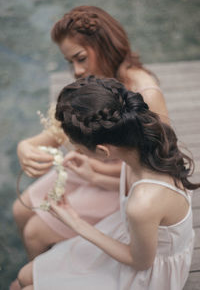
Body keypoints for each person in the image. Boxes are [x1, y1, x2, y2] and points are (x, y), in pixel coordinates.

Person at [12, 6, 168, 262]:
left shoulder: (146, 93)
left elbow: (156, 169)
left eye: (80, 58)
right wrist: (25, 146)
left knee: (33, 233)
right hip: (86, 168)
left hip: (121, 185)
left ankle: (39, 275)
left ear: (105, 45)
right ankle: (44, 268)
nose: (75, 70)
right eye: (70, 62)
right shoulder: (94, 82)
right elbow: (58, 132)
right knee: (19, 210)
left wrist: (95, 175)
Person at [17, 76, 199, 290]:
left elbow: (141, 262)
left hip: (147, 269)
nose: (77, 153)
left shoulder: (143, 203)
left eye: (79, 149)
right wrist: (92, 176)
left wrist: (75, 222)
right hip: (137, 235)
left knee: (27, 285)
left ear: (103, 151)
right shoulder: (142, 146)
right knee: (24, 275)